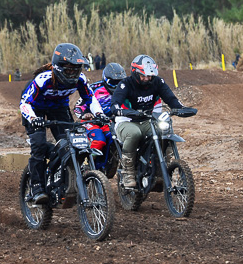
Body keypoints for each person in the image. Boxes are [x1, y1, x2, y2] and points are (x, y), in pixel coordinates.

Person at [20, 43, 93, 203]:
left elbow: (90, 98)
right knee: (39, 145)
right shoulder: (43, 79)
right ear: (59, 68)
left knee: (69, 143)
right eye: (69, 70)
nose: (73, 73)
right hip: (35, 109)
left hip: (58, 107)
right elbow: (25, 103)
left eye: (76, 69)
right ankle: (36, 187)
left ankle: (64, 180)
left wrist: (99, 114)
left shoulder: (81, 79)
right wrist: (33, 119)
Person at [111, 54, 188, 188]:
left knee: (165, 131)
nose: (147, 79)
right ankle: (128, 172)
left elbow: (171, 99)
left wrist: (181, 109)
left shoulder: (157, 82)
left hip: (149, 120)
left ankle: (164, 168)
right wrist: (124, 111)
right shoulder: (125, 84)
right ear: (135, 73)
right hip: (127, 121)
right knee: (134, 134)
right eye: (143, 76)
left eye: (149, 76)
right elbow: (114, 105)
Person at [74, 62, 124, 170]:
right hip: (92, 121)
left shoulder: (124, 89)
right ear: (106, 79)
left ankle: (106, 164)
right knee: (99, 140)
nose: (116, 85)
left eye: (119, 82)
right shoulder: (94, 88)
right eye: (114, 82)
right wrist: (84, 115)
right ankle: (87, 164)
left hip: (109, 121)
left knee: (115, 138)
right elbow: (78, 107)